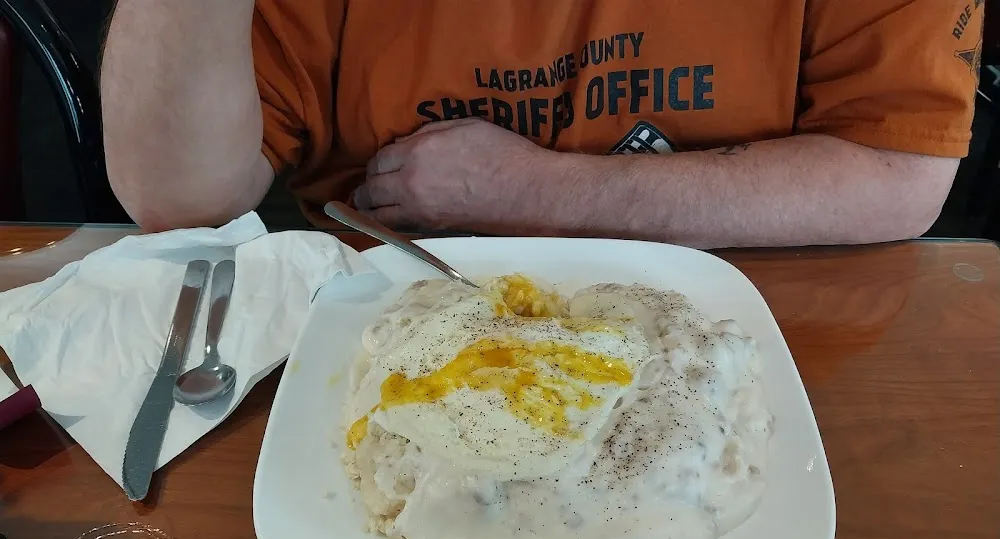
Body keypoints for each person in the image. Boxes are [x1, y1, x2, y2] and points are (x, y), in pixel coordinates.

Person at [101, 1, 985, 248]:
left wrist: (535, 191)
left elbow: (898, 174)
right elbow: (178, 198)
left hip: (754, 326)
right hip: (379, 330)